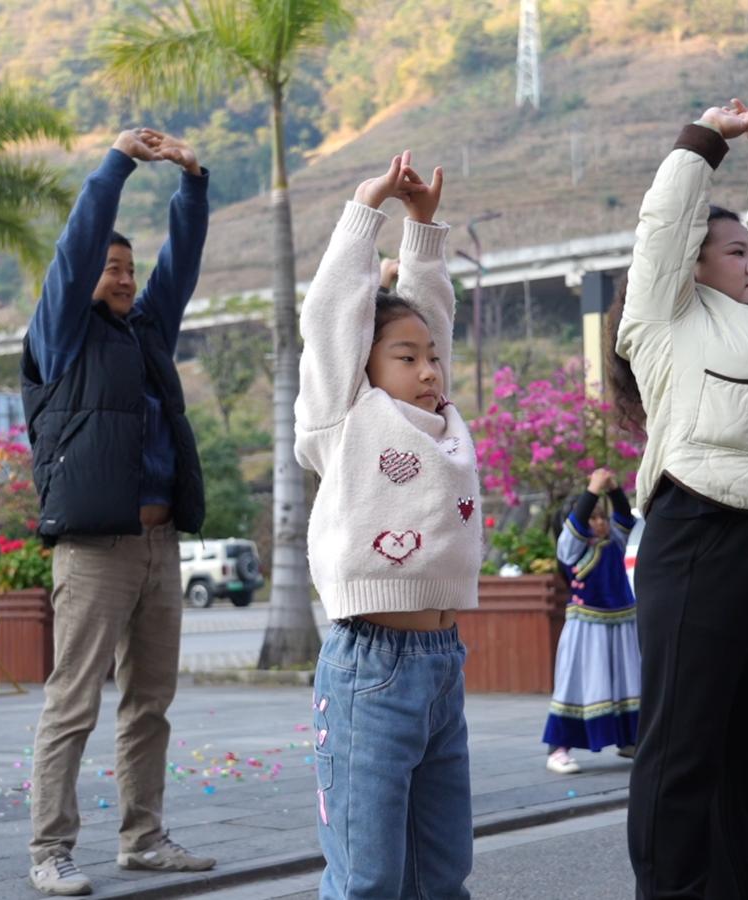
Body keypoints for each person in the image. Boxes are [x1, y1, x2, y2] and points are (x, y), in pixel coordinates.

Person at [607, 99, 748, 898]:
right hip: (706, 531)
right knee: (686, 740)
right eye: (734, 252)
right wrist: (707, 142)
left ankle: (741, 880)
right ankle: (672, 890)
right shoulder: (666, 317)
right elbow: (666, 224)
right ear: (693, 265)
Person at [22, 127, 211, 896]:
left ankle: (144, 838)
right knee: (73, 702)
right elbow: (76, 248)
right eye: (111, 266)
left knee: (150, 703)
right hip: (96, 548)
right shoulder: (60, 335)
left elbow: (182, 268)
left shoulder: (146, 334)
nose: (125, 277)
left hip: (159, 542)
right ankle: (50, 849)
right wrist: (118, 164)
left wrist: (193, 183)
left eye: (130, 268)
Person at [296, 150, 481, 899]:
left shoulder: (438, 420)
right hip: (371, 669)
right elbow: (332, 312)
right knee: (368, 878)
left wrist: (424, 231)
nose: (429, 368)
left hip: (442, 662)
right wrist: (366, 209)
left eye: (432, 357)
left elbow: (427, 314)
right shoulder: (345, 417)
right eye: (406, 357)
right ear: (362, 367)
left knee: (441, 875)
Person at [542, 467, 640, 774]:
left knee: (628, 684)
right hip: (587, 628)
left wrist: (612, 490)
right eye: (593, 517)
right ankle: (558, 749)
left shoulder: (617, 542)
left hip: (623, 623)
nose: (600, 522)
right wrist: (592, 489)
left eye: (602, 516)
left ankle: (629, 740)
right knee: (578, 686)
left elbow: (624, 515)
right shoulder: (571, 548)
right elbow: (577, 521)